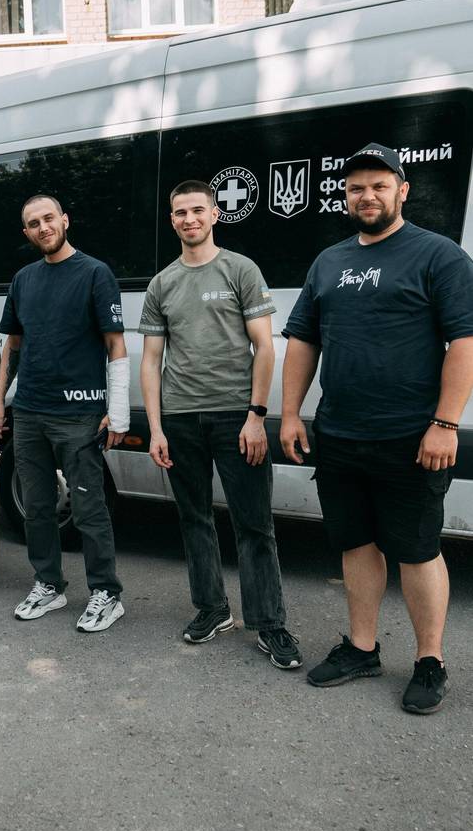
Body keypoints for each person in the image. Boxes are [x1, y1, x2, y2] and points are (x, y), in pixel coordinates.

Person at [280, 142, 473, 714]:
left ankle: (430, 660)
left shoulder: (439, 256)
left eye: (379, 185)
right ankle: (362, 648)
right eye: (357, 187)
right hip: (340, 433)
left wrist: (445, 424)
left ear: (402, 191)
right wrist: (290, 413)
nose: (367, 195)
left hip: (411, 436)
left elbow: (463, 343)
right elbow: (303, 342)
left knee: (416, 549)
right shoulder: (329, 261)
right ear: (345, 195)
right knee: (356, 543)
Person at [139, 180, 300, 668]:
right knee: (194, 519)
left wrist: (256, 416)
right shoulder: (162, 283)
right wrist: (157, 427)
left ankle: (270, 625)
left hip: (236, 417)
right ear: (172, 221)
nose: (189, 219)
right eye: (180, 213)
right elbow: (151, 361)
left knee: (254, 524)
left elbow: (265, 347)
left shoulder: (239, 270)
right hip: (181, 419)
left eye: (198, 211)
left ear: (215, 214)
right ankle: (211, 609)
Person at [0, 195, 129, 633]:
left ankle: (106, 593)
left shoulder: (93, 273)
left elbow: (115, 346)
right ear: (27, 233)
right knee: (38, 507)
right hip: (29, 411)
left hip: (79, 413)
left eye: (49, 218)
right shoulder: (23, 279)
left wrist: (118, 411)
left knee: (88, 508)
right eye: (34, 223)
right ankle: (49, 583)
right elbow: (11, 345)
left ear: (65, 220)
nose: (43, 227)